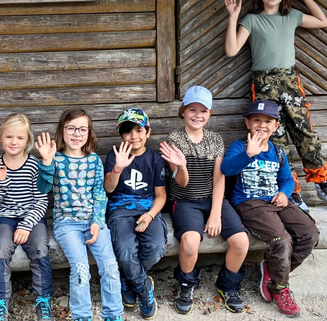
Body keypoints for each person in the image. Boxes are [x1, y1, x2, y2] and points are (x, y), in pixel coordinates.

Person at [224, 0, 327, 207]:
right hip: (264, 85)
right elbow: (231, 50)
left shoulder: (291, 16)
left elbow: (323, 21)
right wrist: (232, 17)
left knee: (304, 132)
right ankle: (292, 192)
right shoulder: (251, 20)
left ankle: (321, 180)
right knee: (275, 140)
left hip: (290, 81)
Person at [221, 99, 319, 317]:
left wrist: (284, 193)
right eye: (257, 120)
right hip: (249, 203)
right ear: (248, 123)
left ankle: (273, 271)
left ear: (276, 126)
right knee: (282, 240)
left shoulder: (278, 151)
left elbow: (286, 179)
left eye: (268, 121)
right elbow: (226, 170)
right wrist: (249, 153)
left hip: (276, 201)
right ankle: (279, 288)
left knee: (310, 234)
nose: (262, 125)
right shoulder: (239, 146)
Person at [159, 86, 249, 315]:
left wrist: (216, 213)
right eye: (192, 109)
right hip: (185, 201)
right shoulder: (174, 139)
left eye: (203, 110)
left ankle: (228, 285)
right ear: (183, 111)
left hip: (212, 199)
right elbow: (181, 183)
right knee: (190, 242)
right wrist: (181, 165)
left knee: (241, 242)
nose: (197, 115)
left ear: (209, 114)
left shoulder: (215, 140)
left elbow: (219, 180)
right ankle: (186, 284)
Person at [36, 108, 123, 321]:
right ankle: (82, 315)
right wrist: (46, 163)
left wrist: (97, 221)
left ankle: (113, 314)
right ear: (62, 131)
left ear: (89, 132)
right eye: (71, 128)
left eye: (82, 129)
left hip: (93, 221)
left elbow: (100, 194)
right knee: (81, 268)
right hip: (67, 223)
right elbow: (42, 188)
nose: (77, 134)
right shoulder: (54, 159)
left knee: (110, 266)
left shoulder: (93, 160)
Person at [0, 113, 53, 321]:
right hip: (3, 217)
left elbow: (42, 201)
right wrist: (1, 182)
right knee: (0, 249)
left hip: (31, 218)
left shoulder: (34, 165)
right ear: (0, 137)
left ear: (28, 141)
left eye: (20, 138)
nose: (14, 142)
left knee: (40, 248)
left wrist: (26, 225)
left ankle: (43, 298)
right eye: (9, 137)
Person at [103, 108, 167, 319]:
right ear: (122, 135)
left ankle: (128, 279)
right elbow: (109, 189)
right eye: (128, 131)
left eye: (139, 130)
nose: (134, 136)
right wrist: (118, 168)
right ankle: (142, 286)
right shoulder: (114, 155)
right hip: (120, 211)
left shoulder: (155, 159)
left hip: (148, 210)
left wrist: (150, 215)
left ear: (148, 132)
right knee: (125, 249)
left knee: (155, 248)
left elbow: (160, 196)